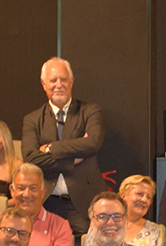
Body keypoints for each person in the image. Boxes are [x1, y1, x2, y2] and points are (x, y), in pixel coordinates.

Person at [21, 57, 105, 236]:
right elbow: (30, 156)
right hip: (46, 201)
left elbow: (93, 143)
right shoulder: (32, 119)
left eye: (63, 79)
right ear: (44, 84)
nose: (58, 85)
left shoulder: (90, 111)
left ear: (72, 81)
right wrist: (72, 160)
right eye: (53, 80)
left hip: (83, 203)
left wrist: (51, 148)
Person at [0, 163, 70, 246]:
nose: (27, 194)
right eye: (21, 188)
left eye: (33, 188)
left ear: (43, 192)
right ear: (12, 191)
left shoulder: (60, 226)